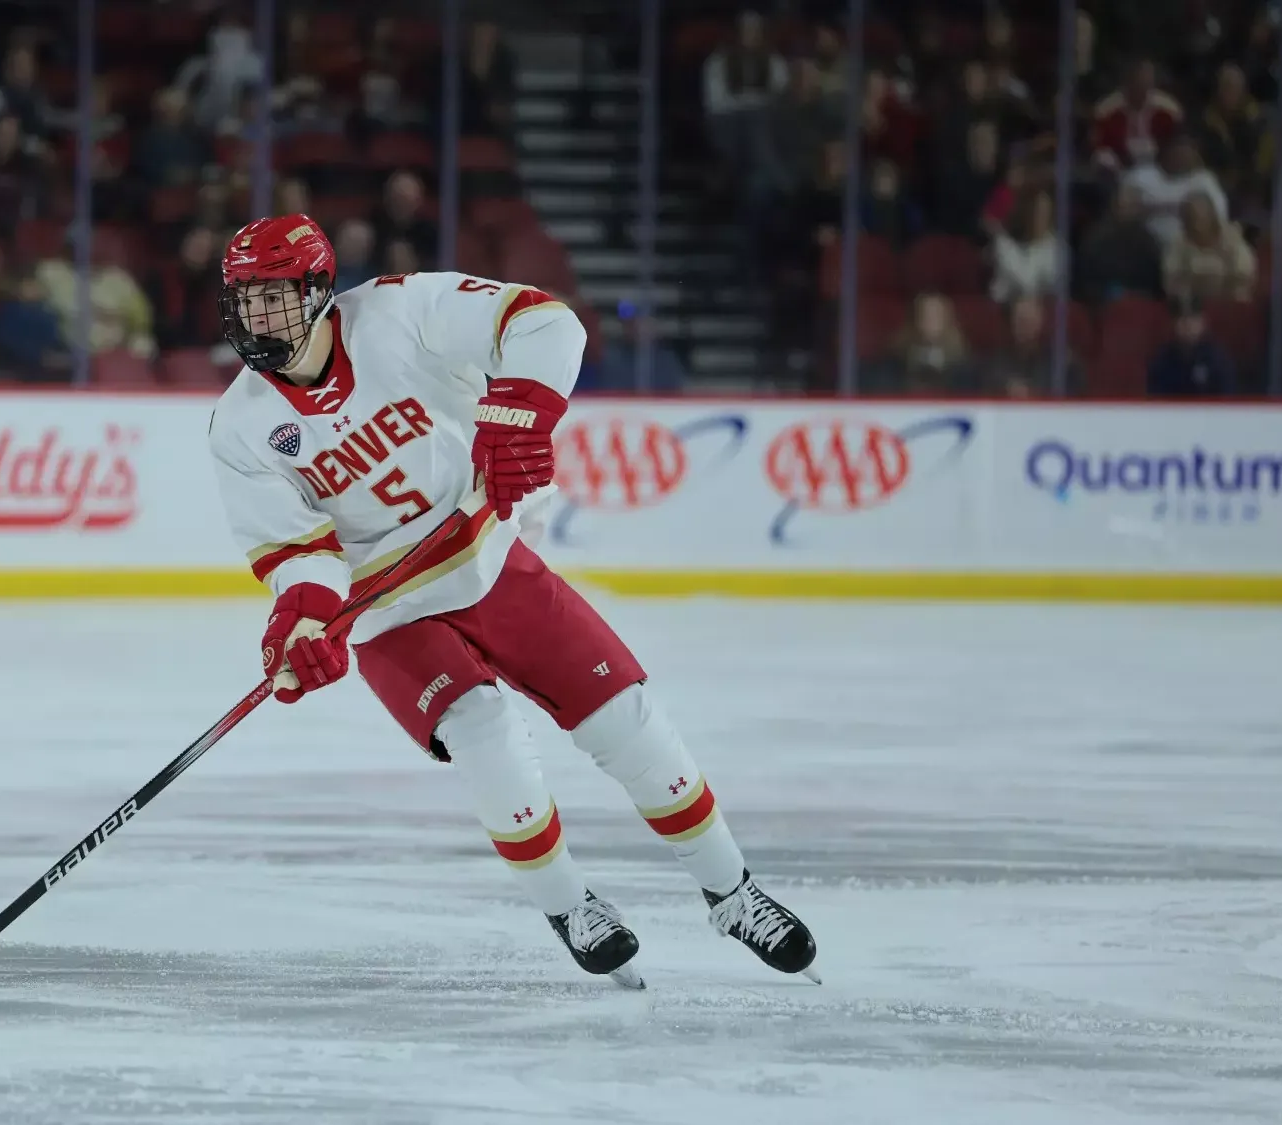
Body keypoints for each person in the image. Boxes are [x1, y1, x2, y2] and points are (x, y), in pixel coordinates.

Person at [203, 214, 820, 986]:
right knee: (486, 737)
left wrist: (518, 411)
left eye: (274, 297)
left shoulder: (399, 312)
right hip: (391, 614)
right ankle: (570, 906)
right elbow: (299, 552)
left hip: (491, 562)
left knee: (626, 719)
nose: (258, 318)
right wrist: (301, 621)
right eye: (246, 300)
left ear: (320, 289)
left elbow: (544, 323)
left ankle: (733, 893)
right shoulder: (240, 427)